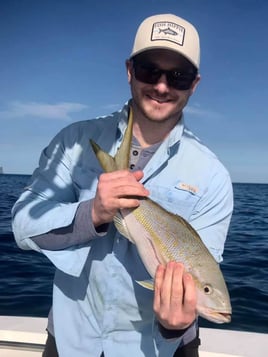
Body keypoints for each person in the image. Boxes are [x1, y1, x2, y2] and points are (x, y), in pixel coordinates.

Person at [12, 13, 233, 357]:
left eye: (179, 76)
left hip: (160, 348)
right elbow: (22, 227)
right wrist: (94, 213)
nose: (162, 86)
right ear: (130, 70)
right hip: (72, 341)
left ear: (195, 84)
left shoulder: (213, 175)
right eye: (149, 70)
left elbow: (204, 269)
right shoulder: (74, 140)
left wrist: (173, 325)